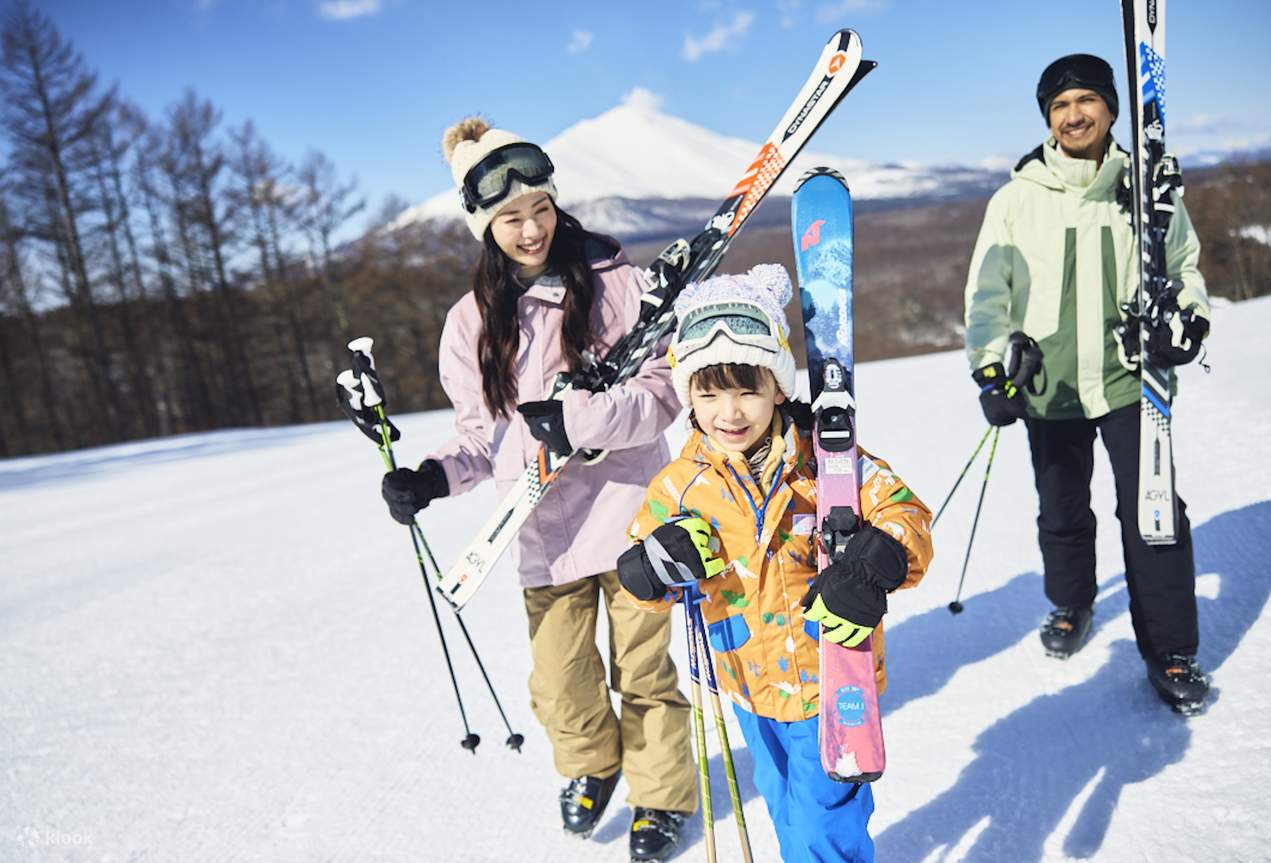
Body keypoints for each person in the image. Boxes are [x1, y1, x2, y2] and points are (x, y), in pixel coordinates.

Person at [380, 117, 695, 861]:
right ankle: (593, 764)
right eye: (512, 218)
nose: (531, 230)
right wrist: (430, 477)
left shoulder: (616, 284)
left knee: (644, 673)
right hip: (541, 530)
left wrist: (582, 419)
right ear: (485, 228)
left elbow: (661, 395)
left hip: (630, 512)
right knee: (560, 683)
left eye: (541, 210)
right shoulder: (470, 324)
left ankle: (659, 795)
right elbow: (477, 438)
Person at [615, 265, 934, 863]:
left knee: (823, 825)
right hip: (745, 681)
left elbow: (906, 516)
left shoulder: (827, 463)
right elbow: (641, 574)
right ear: (689, 397)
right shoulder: (680, 486)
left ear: (778, 387)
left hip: (831, 677)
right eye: (709, 394)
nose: (729, 412)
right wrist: (652, 568)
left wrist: (871, 566)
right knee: (785, 807)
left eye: (747, 390)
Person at [963, 54, 1212, 712]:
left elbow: (1183, 266)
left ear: (1109, 108)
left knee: (1154, 513)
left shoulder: (1147, 188)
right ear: (1047, 119)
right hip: (1049, 386)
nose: (1073, 115)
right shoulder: (1016, 199)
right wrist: (989, 369)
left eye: (1085, 100)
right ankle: (1071, 602)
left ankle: (1171, 649)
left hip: (1133, 380)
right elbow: (987, 294)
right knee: (1062, 510)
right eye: (1059, 106)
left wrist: (1190, 321)